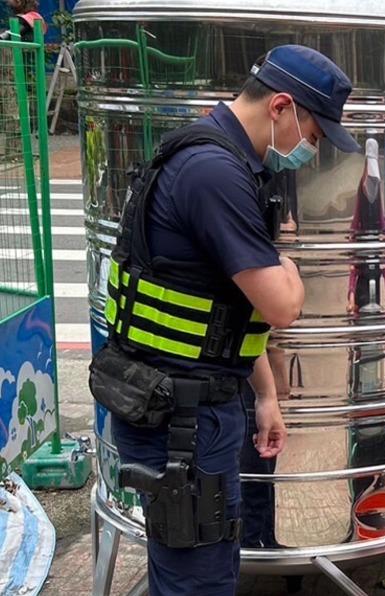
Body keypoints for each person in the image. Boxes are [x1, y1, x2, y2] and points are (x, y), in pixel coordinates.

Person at [90, 45, 360, 595]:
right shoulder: (214, 173)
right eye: (314, 133)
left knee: (206, 569)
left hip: (189, 408)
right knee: (197, 583)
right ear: (281, 107)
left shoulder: (212, 155)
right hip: (180, 423)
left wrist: (264, 395)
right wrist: (284, 263)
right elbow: (281, 304)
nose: (312, 148)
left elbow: (218, 303)